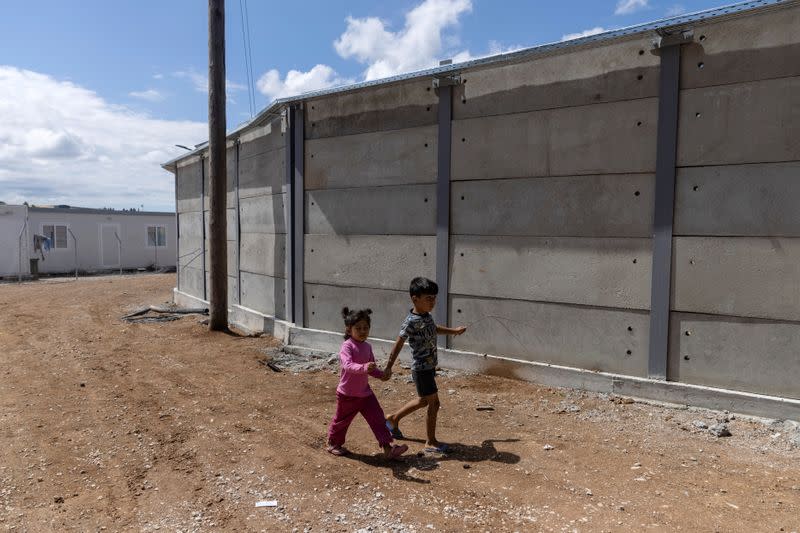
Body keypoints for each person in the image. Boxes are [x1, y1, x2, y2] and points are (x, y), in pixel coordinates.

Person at [383, 277, 466, 454]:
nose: (433, 302)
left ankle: (393, 418)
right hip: (421, 369)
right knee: (434, 403)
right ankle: (431, 442)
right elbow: (399, 342)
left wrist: (454, 331)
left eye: (434, 298)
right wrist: (389, 366)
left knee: (423, 401)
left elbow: (433, 328)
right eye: (429, 298)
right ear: (415, 298)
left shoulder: (425, 316)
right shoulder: (410, 321)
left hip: (428, 368)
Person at [327, 307, 409, 460]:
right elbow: (348, 365)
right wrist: (364, 367)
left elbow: (370, 369)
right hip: (347, 395)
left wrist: (381, 375)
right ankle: (333, 443)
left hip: (365, 394)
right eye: (358, 328)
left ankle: (387, 448)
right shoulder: (347, 346)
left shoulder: (367, 346)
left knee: (378, 418)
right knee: (342, 421)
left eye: (366, 328)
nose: (363, 331)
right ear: (349, 329)